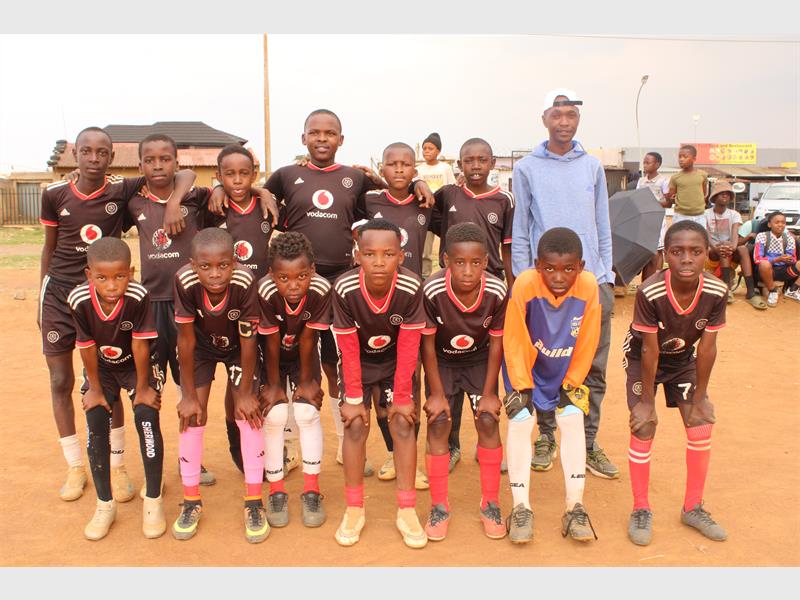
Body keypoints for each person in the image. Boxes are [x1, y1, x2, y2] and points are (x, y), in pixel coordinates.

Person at [265, 109, 433, 474]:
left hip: (341, 285)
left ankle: (347, 441)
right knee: (297, 366)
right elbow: (255, 190)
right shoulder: (286, 175)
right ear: (303, 137)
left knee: (336, 364)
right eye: (315, 132)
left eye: (330, 133)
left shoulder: (356, 180)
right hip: (299, 286)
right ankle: (292, 443)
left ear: (342, 139)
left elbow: (392, 192)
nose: (322, 139)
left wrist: (419, 182)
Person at [39, 126, 192, 501]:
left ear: (111, 157)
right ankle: (76, 465)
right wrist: (42, 298)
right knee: (61, 380)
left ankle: (119, 465)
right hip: (61, 292)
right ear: (76, 154)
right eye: (86, 151)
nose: (94, 158)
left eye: (102, 152)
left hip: (109, 295)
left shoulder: (120, 189)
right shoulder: (53, 194)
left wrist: (173, 204)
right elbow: (48, 249)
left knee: (111, 371)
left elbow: (182, 174)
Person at [510, 89, 618, 479]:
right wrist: (526, 279)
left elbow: (602, 223)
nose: (564, 121)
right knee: (543, 365)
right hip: (542, 286)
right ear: (544, 119)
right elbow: (521, 228)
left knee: (593, 368)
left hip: (591, 283)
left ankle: (587, 443)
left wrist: (606, 274)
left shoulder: (592, 166)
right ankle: (547, 436)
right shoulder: (526, 169)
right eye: (557, 114)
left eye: (571, 114)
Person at [624, 220, 728, 546]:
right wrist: (645, 402)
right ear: (666, 254)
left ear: (706, 254)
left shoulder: (716, 291)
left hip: (683, 361)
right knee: (643, 426)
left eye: (695, 252)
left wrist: (700, 396)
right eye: (677, 252)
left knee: (700, 424)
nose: (686, 259)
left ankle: (693, 506)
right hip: (644, 361)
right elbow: (649, 349)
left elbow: (708, 347)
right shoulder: (649, 291)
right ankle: (641, 508)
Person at [125, 133, 217, 488]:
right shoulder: (133, 200)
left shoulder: (196, 199)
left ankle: (189, 459)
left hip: (188, 307)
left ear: (175, 163)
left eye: (166, 159)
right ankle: (153, 465)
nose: (158, 165)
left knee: (190, 388)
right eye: (151, 160)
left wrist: (176, 200)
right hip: (152, 308)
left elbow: (198, 178)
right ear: (141, 165)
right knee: (148, 387)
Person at [331, 219, 427, 549]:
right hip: (359, 361)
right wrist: (354, 397)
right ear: (357, 255)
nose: (379, 262)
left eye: (388, 254)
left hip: (395, 363)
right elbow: (346, 346)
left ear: (402, 257)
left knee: (402, 423)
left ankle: (407, 509)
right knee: (355, 425)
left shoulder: (412, 287)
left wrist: (402, 395)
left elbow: (410, 343)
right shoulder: (344, 288)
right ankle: (354, 508)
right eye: (370, 254)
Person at [503, 227, 601, 544]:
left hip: (566, 367)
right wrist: (522, 385)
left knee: (572, 419)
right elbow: (515, 338)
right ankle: (521, 508)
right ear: (537, 264)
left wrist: (571, 383)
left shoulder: (588, 287)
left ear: (581, 267)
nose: (559, 276)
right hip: (526, 365)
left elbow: (588, 340)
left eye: (568, 269)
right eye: (550, 269)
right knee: (521, 421)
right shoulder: (525, 285)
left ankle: (575, 507)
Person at [172, 228, 267, 543]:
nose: (215, 274)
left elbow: (249, 340)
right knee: (192, 415)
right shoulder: (184, 281)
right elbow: (185, 342)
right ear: (193, 264)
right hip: (200, 349)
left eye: (223, 265)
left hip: (239, 349)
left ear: (235, 262)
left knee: (248, 413)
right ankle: (191, 501)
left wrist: (245, 393)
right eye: (205, 266)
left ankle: (254, 501)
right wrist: (187, 395)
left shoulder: (245, 282)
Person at [69, 238, 165, 540]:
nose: (112, 285)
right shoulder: (79, 299)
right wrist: (94, 388)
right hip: (101, 368)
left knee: (146, 416)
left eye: (120, 276)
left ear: (131, 272)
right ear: (89, 275)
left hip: (136, 364)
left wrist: (142, 389)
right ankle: (104, 503)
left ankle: (153, 500)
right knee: (96, 419)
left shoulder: (138, 295)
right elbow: (85, 345)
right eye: (102, 278)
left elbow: (140, 344)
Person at [431, 137, 515, 469]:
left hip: (489, 287)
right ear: (460, 165)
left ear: (492, 163)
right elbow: (418, 204)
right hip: (451, 286)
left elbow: (506, 247)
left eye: (482, 160)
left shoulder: (504, 199)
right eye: (469, 160)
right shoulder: (448, 195)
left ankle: (487, 441)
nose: (476, 166)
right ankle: (450, 445)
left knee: (485, 360)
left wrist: (510, 283)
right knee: (448, 358)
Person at [421, 223, 508, 541]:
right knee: (439, 421)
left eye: (475, 262)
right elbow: (427, 344)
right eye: (459, 262)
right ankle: (439, 505)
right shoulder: (432, 290)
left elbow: (497, 343)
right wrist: (436, 394)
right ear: (446, 260)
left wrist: (489, 393)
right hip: (441, 361)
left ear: (486, 261)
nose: (467, 270)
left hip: (479, 359)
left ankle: (491, 503)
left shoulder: (497, 290)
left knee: (487, 419)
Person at [363, 142, 432, 489]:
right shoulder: (370, 200)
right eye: (393, 165)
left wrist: (424, 185)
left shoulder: (426, 203)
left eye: (407, 164)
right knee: (380, 392)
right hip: (375, 302)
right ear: (383, 167)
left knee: (410, 383)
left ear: (415, 166)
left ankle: (412, 458)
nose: (400, 170)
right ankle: (392, 452)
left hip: (410, 303)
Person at [257, 232, 331, 528]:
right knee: (274, 415)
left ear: (312, 270)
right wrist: (274, 386)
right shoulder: (264, 290)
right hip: (271, 356)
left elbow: (309, 337)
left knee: (306, 411)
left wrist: (306, 380)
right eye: (284, 278)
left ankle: (312, 489)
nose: (293, 285)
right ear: (272, 274)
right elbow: (271, 341)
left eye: (301, 276)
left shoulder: (322, 289)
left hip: (304, 351)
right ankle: (276, 491)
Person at [703, 180, 765, 309]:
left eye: (727, 194)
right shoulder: (706, 214)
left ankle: (750, 291)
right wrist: (717, 247)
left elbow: (735, 235)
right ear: (714, 197)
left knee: (742, 249)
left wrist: (733, 246)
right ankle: (727, 288)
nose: (725, 196)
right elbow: (706, 236)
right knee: (722, 248)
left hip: (730, 249)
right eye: (721, 194)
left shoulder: (734, 214)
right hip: (713, 252)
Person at [416, 132, 456, 279]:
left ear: (438, 151)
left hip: (442, 213)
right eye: (424, 148)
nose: (426, 151)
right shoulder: (419, 169)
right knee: (425, 249)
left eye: (430, 148)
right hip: (425, 212)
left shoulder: (445, 168)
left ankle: (446, 276)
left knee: (447, 244)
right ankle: (425, 277)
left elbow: (451, 188)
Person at [753, 211, 799, 307]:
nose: (780, 225)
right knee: (764, 264)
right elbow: (757, 259)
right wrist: (776, 260)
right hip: (766, 271)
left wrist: (789, 259)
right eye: (777, 222)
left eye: (783, 222)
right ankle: (772, 291)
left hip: (784, 270)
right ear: (770, 224)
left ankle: (793, 290)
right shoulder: (762, 236)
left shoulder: (789, 238)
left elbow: (794, 258)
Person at [637, 152, 670, 281]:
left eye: (648, 162)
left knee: (657, 250)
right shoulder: (641, 181)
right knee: (646, 250)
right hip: (644, 219)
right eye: (644, 162)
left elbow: (668, 202)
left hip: (657, 219)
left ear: (657, 164)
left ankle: (657, 278)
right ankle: (646, 280)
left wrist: (653, 203)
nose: (645, 165)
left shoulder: (663, 181)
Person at [667, 145, 709, 226]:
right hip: (681, 216)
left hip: (699, 216)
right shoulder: (675, 177)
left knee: (699, 238)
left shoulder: (702, 175)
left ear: (694, 159)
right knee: (680, 238)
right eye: (679, 157)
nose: (681, 159)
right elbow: (671, 196)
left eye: (685, 157)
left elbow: (704, 193)